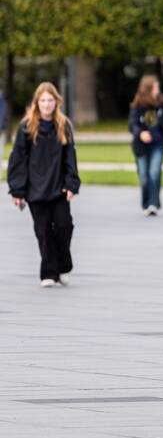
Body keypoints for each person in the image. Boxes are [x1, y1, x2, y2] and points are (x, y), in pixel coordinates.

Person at [7, 82, 80, 287]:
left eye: (50, 100)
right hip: (35, 189)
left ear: (56, 102)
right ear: (36, 103)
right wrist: (17, 190)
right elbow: (18, 159)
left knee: (65, 225)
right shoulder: (26, 127)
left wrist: (71, 183)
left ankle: (63, 264)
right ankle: (49, 273)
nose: (47, 104)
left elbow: (70, 157)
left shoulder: (63, 125)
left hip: (58, 187)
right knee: (44, 231)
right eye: (43, 101)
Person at [128, 75, 163, 216]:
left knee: (154, 173)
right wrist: (140, 133)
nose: (158, 89)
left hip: (158, 144)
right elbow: (132, 124)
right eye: (155, 87)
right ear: (148, 89)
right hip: (141, 147)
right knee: (144, 176)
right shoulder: (137, 105)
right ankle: (146, 203)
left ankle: (153, 204)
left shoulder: (161, 104)